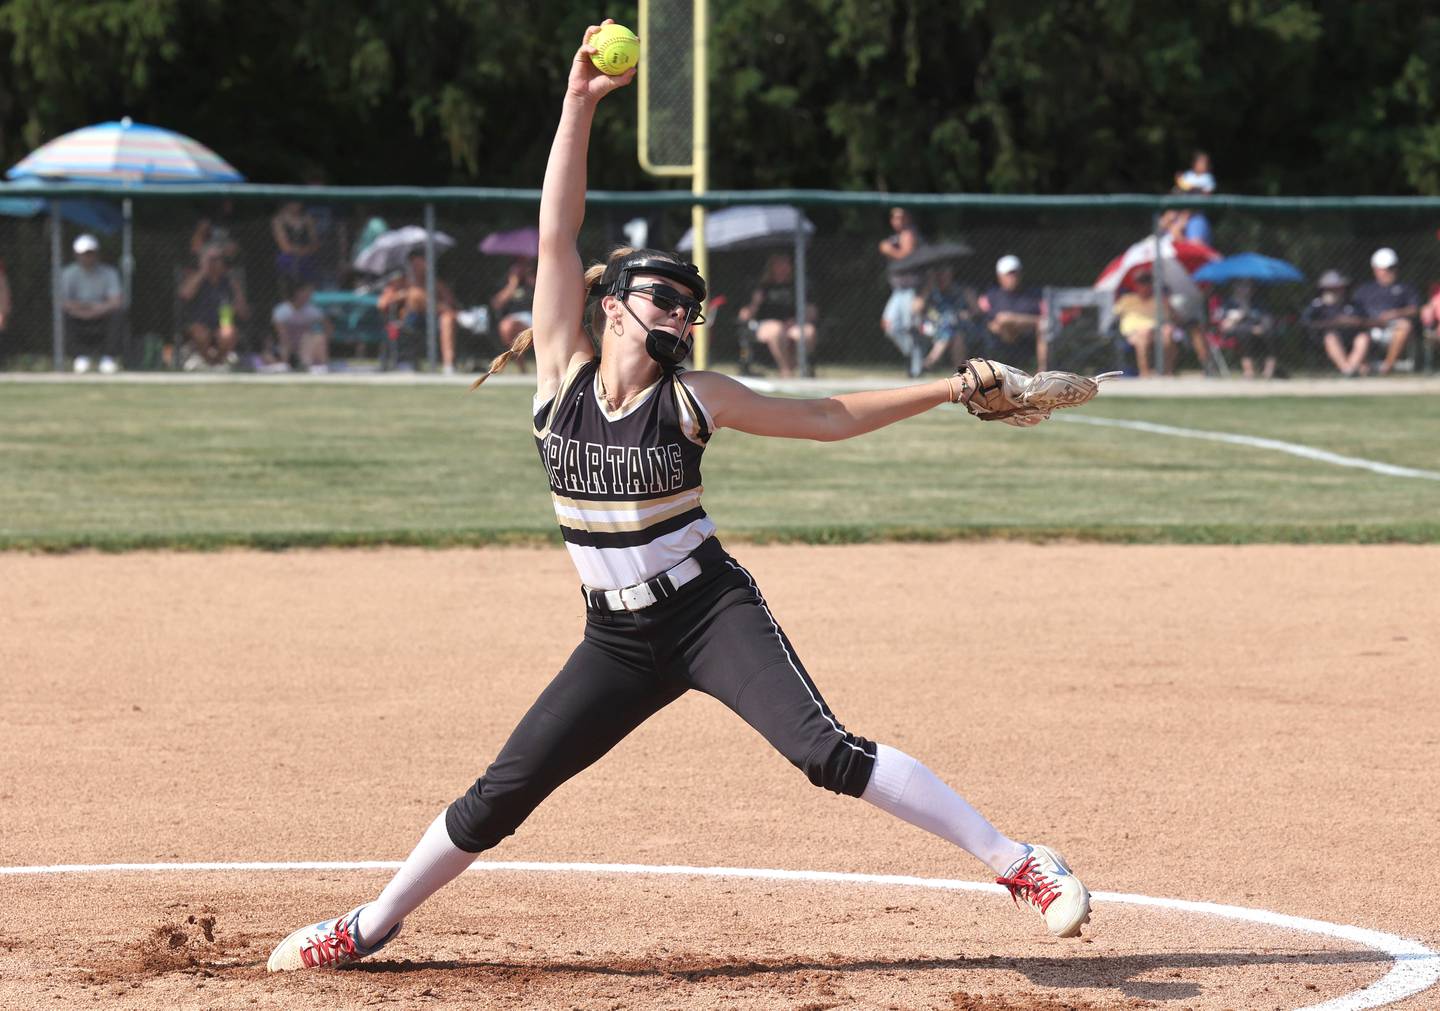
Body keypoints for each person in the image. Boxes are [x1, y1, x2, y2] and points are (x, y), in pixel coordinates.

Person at [265, 20, 1092, 974]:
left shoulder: (693, 398)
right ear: (612, 306)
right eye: (665, 301)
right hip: (615, 638)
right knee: (500, 794)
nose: (681, 318)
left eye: (689, 309)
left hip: (707, 612)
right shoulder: (560, 377)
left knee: (824, 752)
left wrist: (949, 387)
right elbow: (555, 232)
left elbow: (822, 415)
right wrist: (576, 106)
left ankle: (1020, 861)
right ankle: (368, 925)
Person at [736, 252, 818, 378]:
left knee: (808, 332)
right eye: (779, 264)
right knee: (776, 329)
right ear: (772, 267)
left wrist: (796, 320)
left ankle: (795, 366)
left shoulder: (799, 286)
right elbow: (744, 315)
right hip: (765, 325)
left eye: (785, 264)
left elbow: (812, 311)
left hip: (793, 324)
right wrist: (755, 303)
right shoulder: (761, 286)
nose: (783, 267)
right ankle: (786, 370)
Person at [378, 248, 458, 373]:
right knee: (415, 294)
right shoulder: (401, 281)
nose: (420, 266)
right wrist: (401, 295)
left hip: (433, 319)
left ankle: (449, 365)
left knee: (448, 318)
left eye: (423, 262)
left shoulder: (434, 282)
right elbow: (382, 304)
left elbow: (450, 303)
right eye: (416, 263)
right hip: (409, 320)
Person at [178, 243, 250, 371]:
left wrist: (235, 304)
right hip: (199, 321)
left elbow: (244, 312)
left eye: (218, 259)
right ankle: (207, 361)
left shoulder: (230, 282)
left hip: (223, 321)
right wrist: (203, 271)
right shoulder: (195, 277)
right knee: (200, 333)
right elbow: (185, 295)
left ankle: (218, 363)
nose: (215, 263)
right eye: (211, 259)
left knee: (228, 333)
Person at [60, 234, 125, 374]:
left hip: (102, 315)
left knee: (117, 314)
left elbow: (116, 301)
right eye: (84, 254)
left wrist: (93, 309)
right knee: (63, 316)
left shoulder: (109, 273)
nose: (87, 257)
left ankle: (108, 359)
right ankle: (80, 357)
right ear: (76, 254)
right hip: (78, 315)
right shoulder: (67, 274)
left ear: (96, 253)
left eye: (90, 253)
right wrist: (87, 309)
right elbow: (63, 302)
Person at [1351, 247, 1419, 375]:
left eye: (1392, 268)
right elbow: (1355, 314)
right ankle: (1357, 369)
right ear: (1375, 269)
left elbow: (1414, 309)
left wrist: (1394, 314)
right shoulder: (1364, 290)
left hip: (1394, 329)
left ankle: (1387, 368)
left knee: (1405, 326)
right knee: (1360, 336)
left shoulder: (1406, 288)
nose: (1389, 272)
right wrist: (1371, 322)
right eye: (1385, 269)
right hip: (1370, 329)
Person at [978, 255, 1045, 370]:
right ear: (999, 276)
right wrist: (1011, 322)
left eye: (1015, 273)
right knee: (1003, 321)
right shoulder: (992, 295)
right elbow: (991, 321)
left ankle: (1043, 371)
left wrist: (1014, 319)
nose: (1013, 277)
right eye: (1009, 274)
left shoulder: (1033, 295)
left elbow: (1044, 319)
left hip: (1029, 336)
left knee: (1045, 326)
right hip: (1002, 337)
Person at [878, 206, 923, 375]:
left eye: (902, 217)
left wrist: (889, 250)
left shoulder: (909, 233)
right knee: (889, 325)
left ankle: (915, 368)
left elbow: (907, 256)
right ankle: (911, 355)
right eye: (895, 217)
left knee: (908, 327)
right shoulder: (895, 236)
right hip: (898, 290)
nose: (898, 221)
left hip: (910, 289)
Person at [1112, 271, 1182, 377]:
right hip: (1134, 332)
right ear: (1136, 285)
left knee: (1168, 332)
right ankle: (1145, 373)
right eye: (1141, 282)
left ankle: (1167, 371)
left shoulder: (1160, 299)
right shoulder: (1127, 299)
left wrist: (1168, 305)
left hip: (1156, 330)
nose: (1144, 286)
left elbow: (1175, 318)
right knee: (1143, 335)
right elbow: (1114, 317)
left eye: (1147, 282)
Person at [1301, 270, 1369, 376]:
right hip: (1327, 337)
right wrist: (1335, 322)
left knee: (1363, 337)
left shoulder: (1351, 304)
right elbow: (1306, 322)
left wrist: (1354, 321)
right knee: (1330, 337)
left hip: (1351, 336)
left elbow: (1365, 320)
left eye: (1339, 287)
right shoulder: (1317, 305)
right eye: (1332, 288)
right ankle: (1348, 369)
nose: (1337, 291)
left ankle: (1350, 368)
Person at [915, 264, 976, 372]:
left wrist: (966, 314)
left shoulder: (962, 291)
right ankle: (959, 371)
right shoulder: (930, 291)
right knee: (952, 332)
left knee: (956, 334)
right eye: (939, 275)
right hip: (932, 328)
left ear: (951, 275)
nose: (942, 278)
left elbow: (975, 311)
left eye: (945, 275)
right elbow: (916, 308)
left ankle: (929, 362)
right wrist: (929, 286)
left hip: (958, 327)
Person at [1215, 278, 1276, 379]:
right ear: (1235, 288)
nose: (1245, 289)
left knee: (1269, 333)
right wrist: (1239, 316)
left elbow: (1266, 318)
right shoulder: (1228, 303)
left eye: (1248, 286)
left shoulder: (1257, 303)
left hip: (1258, 330)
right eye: (1241, 286)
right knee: (1244, 333)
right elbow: (1224, 325)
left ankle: (1268, 371)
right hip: (1237, 332)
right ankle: (1249, 371)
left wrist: (1260, 327)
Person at [269, 279, 332, 373]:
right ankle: (284, 363)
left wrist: (321, 341)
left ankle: (318, 365)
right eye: (307, 291)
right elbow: (282, 336)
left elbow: (328, 327)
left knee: (318, 337)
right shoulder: (282, 310)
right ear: (297, 292)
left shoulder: (312, 310)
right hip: (285, 346)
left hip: (305, 346)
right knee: (276, 348)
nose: (310, 294)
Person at [489, 257, 537, 371]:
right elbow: (496, 304)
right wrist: (512, 285)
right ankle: (521, 367)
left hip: (534, 316)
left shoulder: (534, 280)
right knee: (506, 326)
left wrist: (531, 280)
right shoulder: (506, 282)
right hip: (513, 319)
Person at [271, 201, 322, 287]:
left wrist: (305, 251)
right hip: (287, 257)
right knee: (284, 260)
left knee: (310, 266)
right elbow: (284, 246)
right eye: (293, 201)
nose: (296, 205)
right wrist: (302, 250)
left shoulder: (307, 218)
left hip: (307, 256)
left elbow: (315, 244)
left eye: (298, 202)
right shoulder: (278, 220)